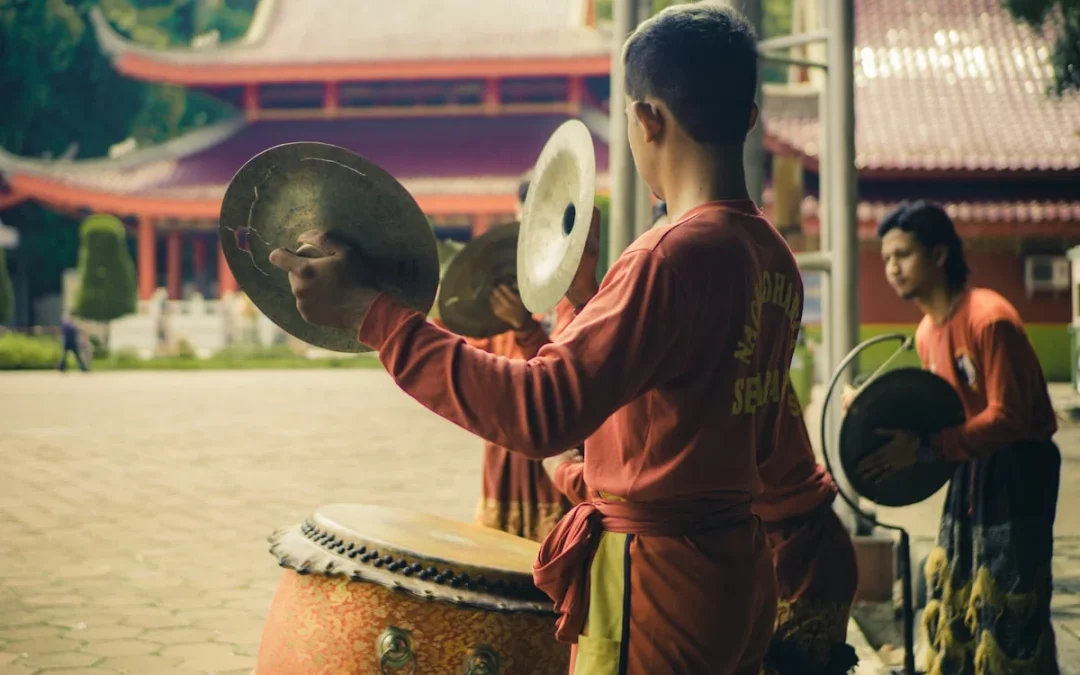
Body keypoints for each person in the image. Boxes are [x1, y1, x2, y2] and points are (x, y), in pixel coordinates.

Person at [270, 6, 792, 672]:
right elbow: (742, 428)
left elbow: (540, 409)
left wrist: (375, 316)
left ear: (646, 120)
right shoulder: (769, 252)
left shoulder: (670, 256)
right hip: (735, 571)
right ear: (750, 118)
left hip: (660, 585)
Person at [855, 201, 1060, 675]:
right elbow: (943, 413)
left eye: (903, 255)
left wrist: (926, 449)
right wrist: (869, 409)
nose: (892, 268)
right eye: (886, 258)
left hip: (1018, 468)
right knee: (959, 596)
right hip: (970, 466)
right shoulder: (928, 331)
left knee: (1011, 605)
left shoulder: (990, 318)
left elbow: (1008, 419)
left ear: (939, 255)